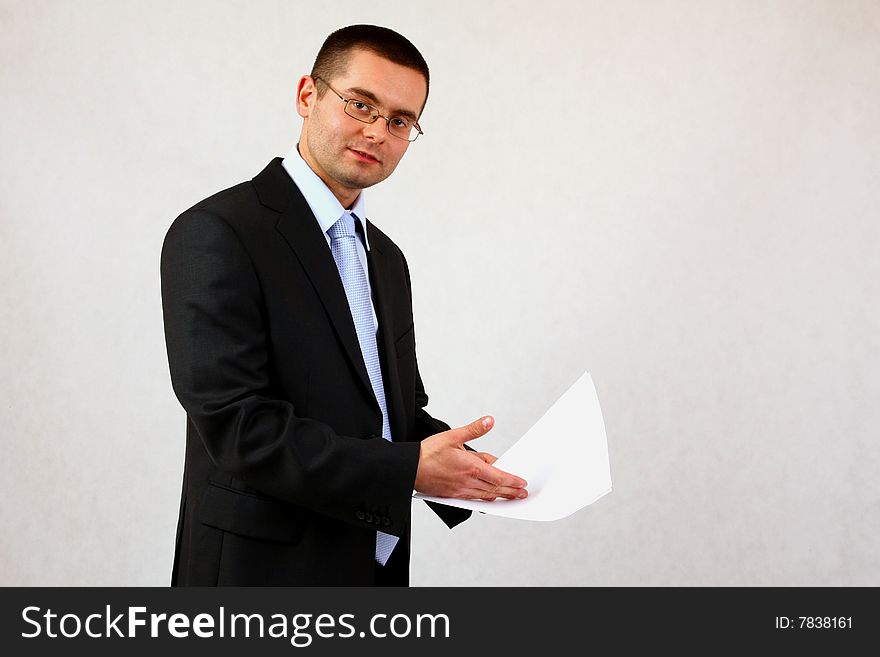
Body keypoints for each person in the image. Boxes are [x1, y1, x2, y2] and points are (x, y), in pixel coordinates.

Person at [160, 24, 528, 587]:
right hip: (259, 572)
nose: (377, 132)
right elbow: (239, 427)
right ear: (308, 95)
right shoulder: (218, 232)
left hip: (372, 567)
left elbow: (393, 414)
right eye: (360, 104)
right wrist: (410, 472)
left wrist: (482, 474)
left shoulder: (385, 257)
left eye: (400, 121)